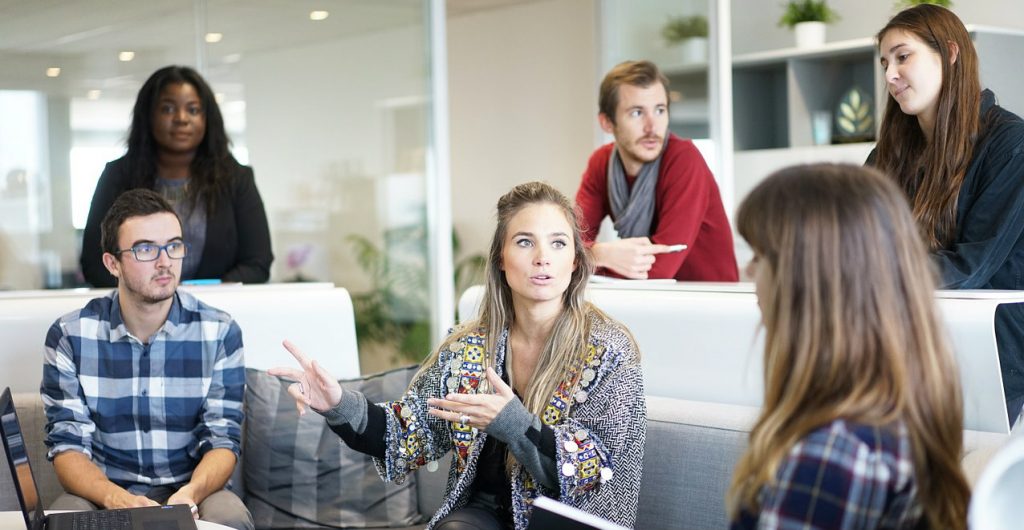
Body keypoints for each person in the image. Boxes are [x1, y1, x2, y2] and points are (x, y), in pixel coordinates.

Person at [270, 182, 646, 530]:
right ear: (501, 258)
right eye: (525, 242)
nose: (543, 258)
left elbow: (593, 468)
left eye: (559, 243)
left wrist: (513, 422)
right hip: (482, 517)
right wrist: (337, 404)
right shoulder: (469, 346)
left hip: (569, 520)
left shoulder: (610, 350)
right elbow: (408, 433)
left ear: (576, 261)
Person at [728, 164, 970, 529]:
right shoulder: (895, 414)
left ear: (808, 282)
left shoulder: (830, 457)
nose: (748, 272)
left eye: (760, 257)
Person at [42, 189, 253, 530]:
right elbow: (67, 447)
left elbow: (223, 438)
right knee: (63, 519)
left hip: (193, 488)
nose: (165, 261)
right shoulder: (70, 335)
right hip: (104, 490)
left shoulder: (220, 331)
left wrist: (190, 494)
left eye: (174, 245)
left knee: (230, 517)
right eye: (145, 249)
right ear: (113, 263)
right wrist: (116, 499)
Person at [868, 4, 1024, 423]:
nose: (890, 75)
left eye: (903, 56)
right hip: (906, 342)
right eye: (885, 62)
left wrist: (869, 273)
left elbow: (971, 266)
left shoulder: (1011, 144)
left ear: (950, 53)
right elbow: (856, 240)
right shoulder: (888, 155)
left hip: (992, 352)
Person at [80, 65, 273, 287]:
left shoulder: (237, 179)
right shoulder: (118, 176)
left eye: (193, 110)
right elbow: (94, 264)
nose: (181, 119)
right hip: (138, 315)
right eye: (168, 109)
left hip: (217, 312)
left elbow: (257, 263)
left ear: (207, 118)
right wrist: (151, 296)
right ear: (148, 115)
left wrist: (205, 299)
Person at [575, 60, 737, 281]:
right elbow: (567, 244)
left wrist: (589, 257)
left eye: (660, 110)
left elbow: (659, 269)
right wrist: (600, 253)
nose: (652, 127)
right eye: (636, 113)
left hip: (708, 303)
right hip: (649, 300)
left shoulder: (684, 159)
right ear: (607, 123)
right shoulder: (601, 163)